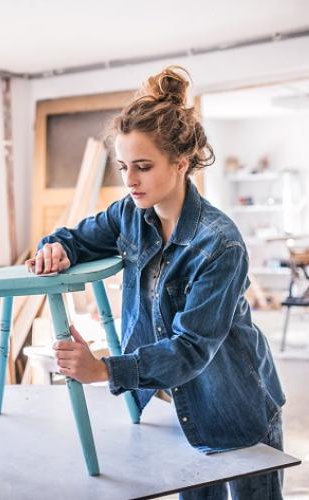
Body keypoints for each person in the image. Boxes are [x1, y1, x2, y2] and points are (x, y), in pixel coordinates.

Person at [26, 66, 285, 500]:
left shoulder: (219, 244)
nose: (129, 180)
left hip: (236, 407)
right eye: (124, 166)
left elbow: (189, 350)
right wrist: (56, 247)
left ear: (181, 163)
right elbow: (76, 237)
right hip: (179, 410)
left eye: (143, 167)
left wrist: (104, 369)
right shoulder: (128, 213)